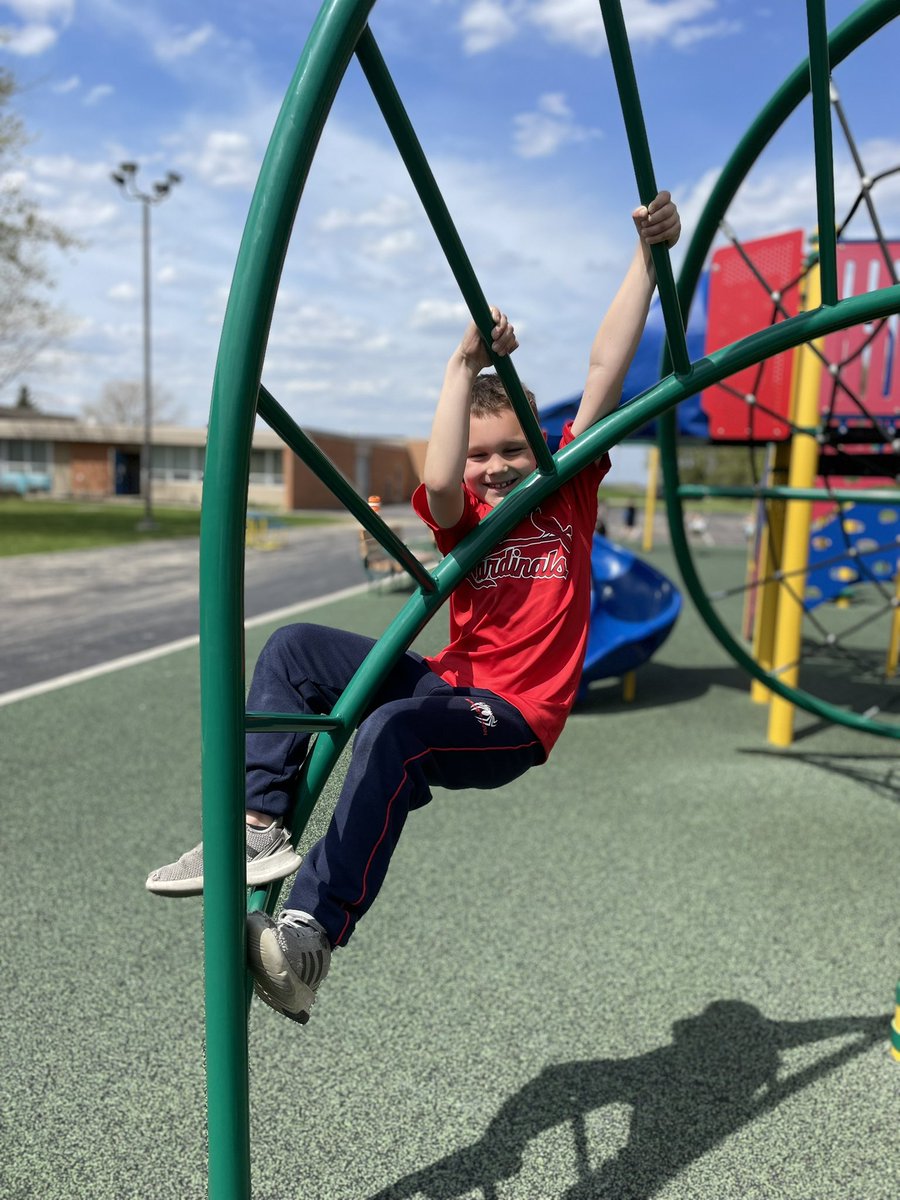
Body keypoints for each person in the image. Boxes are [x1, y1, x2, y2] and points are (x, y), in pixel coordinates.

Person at [146, 190, 681, 1024]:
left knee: (394, 732)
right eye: (480, 454)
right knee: (293, 648)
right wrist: (459, 367)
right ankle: (257, 823)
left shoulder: (567, 486)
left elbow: (603, 371)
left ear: (541, 442)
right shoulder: (461, 509)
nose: (497, 467)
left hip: (514, 715)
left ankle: (309, 937)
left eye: (513, 448)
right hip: (449, 682)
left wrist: (647, 257)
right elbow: (437, 478)